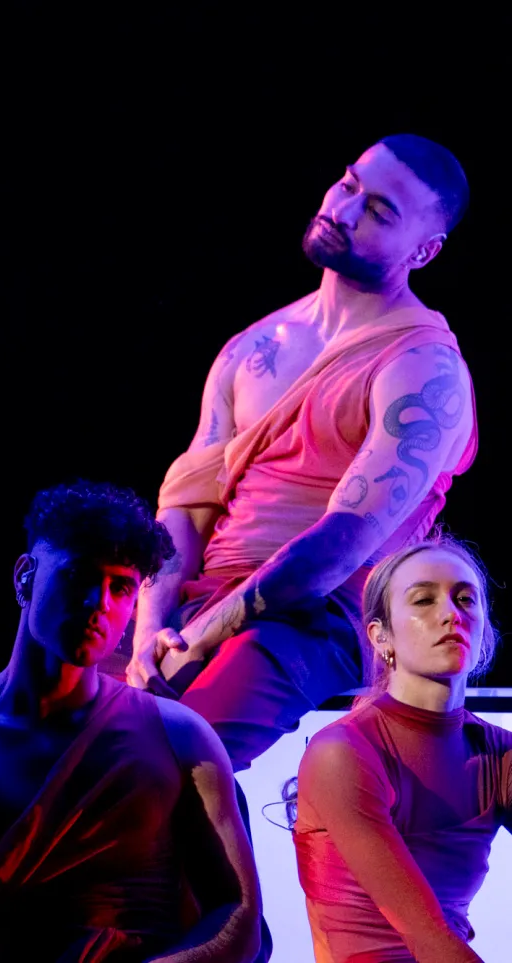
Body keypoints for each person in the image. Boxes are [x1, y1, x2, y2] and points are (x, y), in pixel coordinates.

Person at [127, 134, 479, 775]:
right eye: (348, 186)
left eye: (378, 211)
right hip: (197, 604)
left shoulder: (424, 369)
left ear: (425, 250)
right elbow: (185, 504)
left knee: (165, 759)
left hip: (312, 621)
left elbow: (337, 548)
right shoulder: (254, 345)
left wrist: (204, 636)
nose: (343, 211)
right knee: (39, 719)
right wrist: (150, 627)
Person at [0, 482, 262, 963]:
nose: (98, 603)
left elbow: (240, 919)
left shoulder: (181, 737)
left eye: (120, 587)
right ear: (25, 577)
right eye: (78, 576)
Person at [293, 534, 505, 963]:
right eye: (424, 600)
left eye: (465, 599)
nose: (451, 614)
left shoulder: (499, 752)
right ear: (381, 637)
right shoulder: (343, 750)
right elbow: (427, 938)